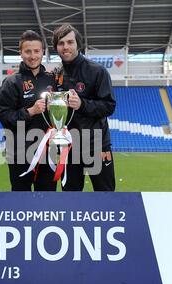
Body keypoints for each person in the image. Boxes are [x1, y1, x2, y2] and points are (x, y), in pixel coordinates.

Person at [52, 24, 116, 191]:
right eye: (61, 43)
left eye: (70, 42)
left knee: (105, 195)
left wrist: (82, 104)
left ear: (77, 44)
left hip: (97, 144)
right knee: (70, 198)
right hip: (68, 146)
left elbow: (109, 106)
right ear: (56, 48)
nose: (65, 47)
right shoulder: (55, 74)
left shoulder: (97, 71)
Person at [0, 30, 57, 191]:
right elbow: (4, 116)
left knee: (47, 202)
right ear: (21, 53)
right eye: (28, 51)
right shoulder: (11, 82)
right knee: (20, 201)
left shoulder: (54, 80)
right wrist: (30, 111)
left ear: (43, 51)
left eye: (37, 51)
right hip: (19, 154)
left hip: (48, 153)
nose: (33, 56)